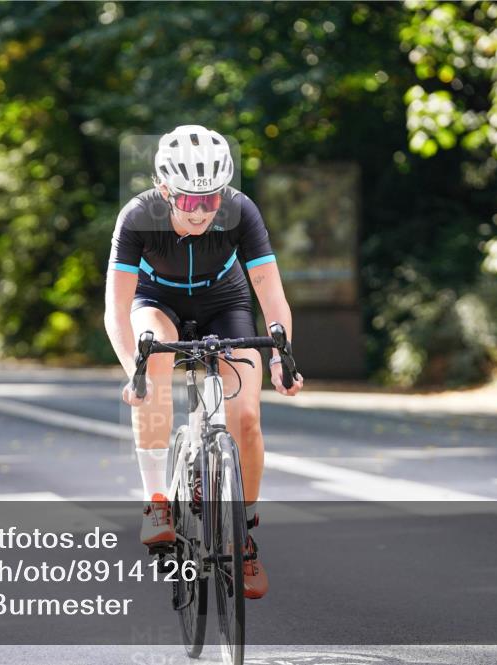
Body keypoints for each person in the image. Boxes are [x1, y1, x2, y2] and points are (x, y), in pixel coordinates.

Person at [104, 125, 304, 600]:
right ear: (164, 190)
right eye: (190, 202)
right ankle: (157, 501)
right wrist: (132, 366)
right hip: (158, 302)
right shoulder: (137, 216)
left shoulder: (240, 210)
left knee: (248, 418)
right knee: (151, 352)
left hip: (224, 301)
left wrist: (282, 357)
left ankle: (244, 530)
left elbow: (271, 294)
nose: (201, 212)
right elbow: (116, 309)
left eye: (210, 201)